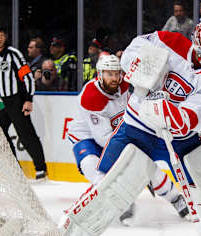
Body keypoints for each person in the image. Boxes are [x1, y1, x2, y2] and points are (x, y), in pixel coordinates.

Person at [60, 17, 201, 236]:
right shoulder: (169, 40)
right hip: (136, 127)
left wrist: (174, 115)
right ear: (197, 34)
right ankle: (71, 235)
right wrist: (138, 69)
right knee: (109, 182)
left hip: (177, 139)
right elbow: (133, 50)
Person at [67, 54, 189, 220]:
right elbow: (104, 139)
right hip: (87, 137)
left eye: (117, 73)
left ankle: (176, 199)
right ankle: (120, 201)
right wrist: (132, 160)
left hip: (117, 133)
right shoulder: (91, 97)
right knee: (92, 168)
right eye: (109, 74)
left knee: (147, 166)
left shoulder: (124, 84)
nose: (115, 78)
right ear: (99, 74)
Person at [0, 24, 47, 180]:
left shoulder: (13, 54)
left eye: (2, 34)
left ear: (6, 36)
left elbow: (27, 76)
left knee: (26, 135)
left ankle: (41, 168)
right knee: (0, 138)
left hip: (16, 100)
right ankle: (15, 170)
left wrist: (28, 100)